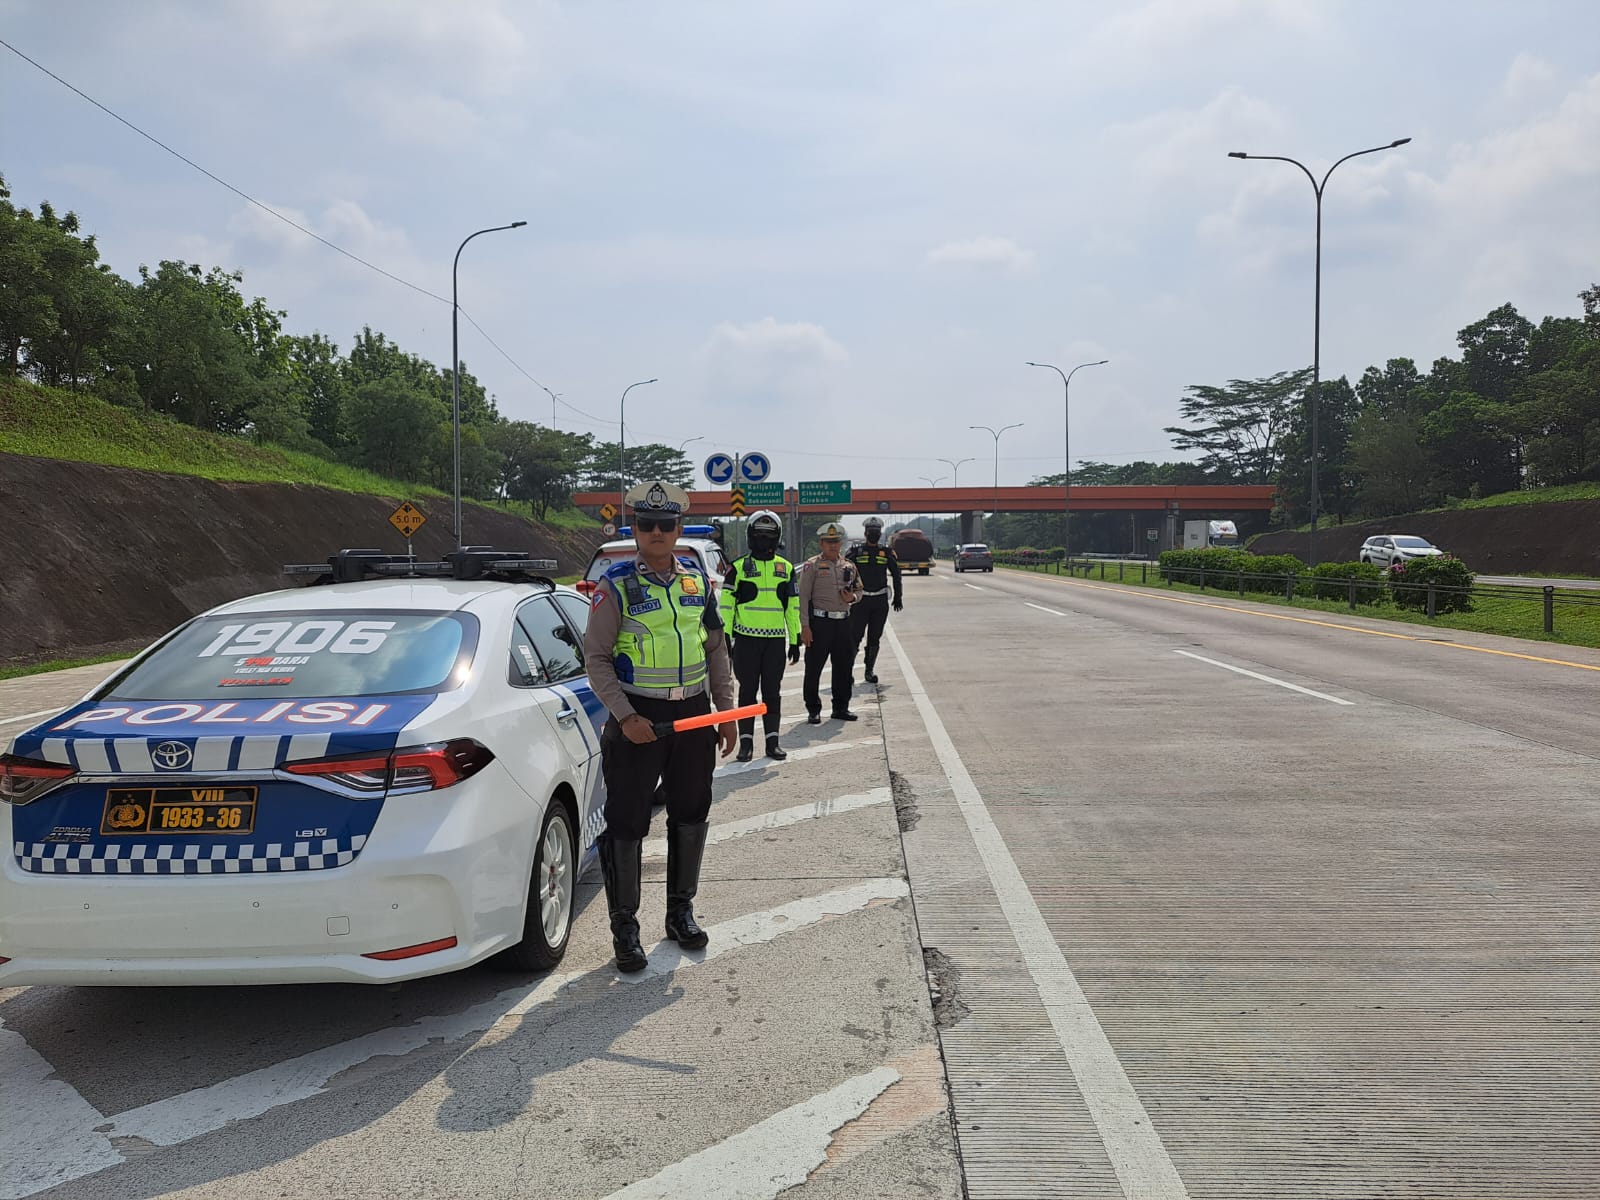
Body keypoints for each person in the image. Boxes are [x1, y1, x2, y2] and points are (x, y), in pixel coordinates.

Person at [583, 480, 738, 973]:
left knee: (691, 814)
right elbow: (597, 659)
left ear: (676, 529)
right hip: (636, 721)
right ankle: (625, 928)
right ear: (634, 528)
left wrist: (725, 709)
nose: (656, 532)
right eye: (646, 524)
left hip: (693, 715)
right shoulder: (616, 587)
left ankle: (679, 913)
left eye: (665, 525)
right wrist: (626, 717)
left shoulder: (696, 582)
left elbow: (716, 650)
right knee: (627, 822)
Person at [720, 509, 801, 762]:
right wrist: (725, 637)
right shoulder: (738, 568)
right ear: (750, 536)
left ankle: (772, 743)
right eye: (759, 535)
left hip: (776, 641)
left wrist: (795, 639)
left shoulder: (786, 569)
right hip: (746, 641)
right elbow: (726, 605)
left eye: (769, 535)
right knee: (747, 692)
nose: (764, 540)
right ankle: (746, 745)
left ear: (776, 538)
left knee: (772, 693)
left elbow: (793, 607)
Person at [798, 520, 863, 723]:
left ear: (841, 543)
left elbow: (860, 590)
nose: (832, 545)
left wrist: (851, 598)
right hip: (820, 623)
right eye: (828, 542)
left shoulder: (849, 566)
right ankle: (813, 708)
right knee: (814, 667)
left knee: (844, 667)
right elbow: (803, 597)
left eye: (835, 541)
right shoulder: (812, 566)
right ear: (821, 544)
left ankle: (841, 707)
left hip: (843, 623)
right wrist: (805, 626)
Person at [846, 515, 903, 685]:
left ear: (880, 534)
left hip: (879, 602)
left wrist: (898, 596)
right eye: (871, 532)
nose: (873, 534)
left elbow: (896, 574)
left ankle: (869, 671)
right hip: (860, 601)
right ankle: (847, 671)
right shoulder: (855, 552)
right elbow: (844, 573)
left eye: (876, 532)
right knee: (855, 637)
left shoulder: (886, 553)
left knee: (874, 638)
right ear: (865, 533)